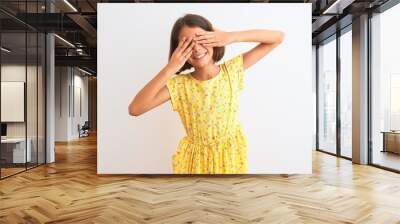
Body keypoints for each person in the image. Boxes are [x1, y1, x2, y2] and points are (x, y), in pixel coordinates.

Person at [128, 14, 284, 174]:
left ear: (214, 39)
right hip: (195, 162)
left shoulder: (231, 71)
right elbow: (135, 109)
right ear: (177, 50)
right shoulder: (179, 85)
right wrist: (170, 68)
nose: (196, 48)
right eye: (187, 44)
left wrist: (232, 36)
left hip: (230, 157)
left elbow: (278, 37)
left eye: (201, 39)